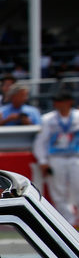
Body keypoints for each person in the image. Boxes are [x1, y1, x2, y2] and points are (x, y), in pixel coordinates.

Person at [33, 89, 79, 227]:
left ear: (69, 102)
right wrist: (43, 161)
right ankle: (68, 223)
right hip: (56, 157)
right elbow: (40, 141)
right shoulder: (48, 119)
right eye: (55, 101)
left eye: (60, 101)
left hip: (75, 157)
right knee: (58, 191)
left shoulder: (77, 117)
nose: (57, 104)